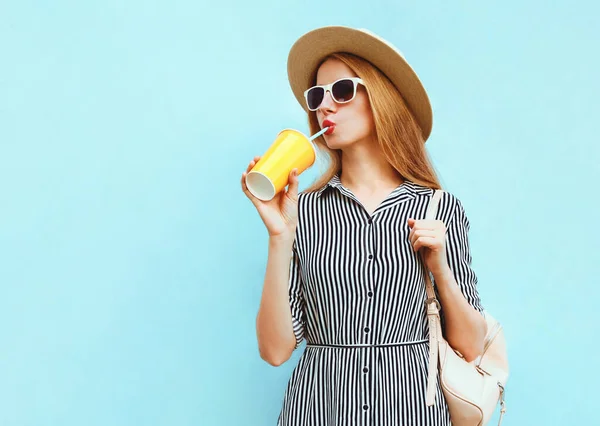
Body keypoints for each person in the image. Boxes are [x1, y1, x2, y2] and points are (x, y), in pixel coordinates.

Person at [241, 26, 487, 426]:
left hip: (412, 414)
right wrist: (279, 235)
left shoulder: (438, 208)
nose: (325, 107)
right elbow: (275, 351)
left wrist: (440, 267)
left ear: (381, 97)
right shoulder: (301, 212)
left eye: (341, 91)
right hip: (318, 413)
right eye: (317, 96)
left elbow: (472, 346)